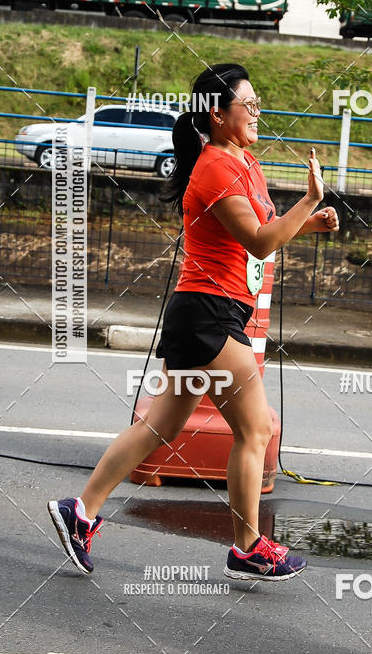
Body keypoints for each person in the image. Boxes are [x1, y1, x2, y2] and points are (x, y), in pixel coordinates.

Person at [48, 62, 339, 582]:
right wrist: (310, 201)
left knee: (160, 426)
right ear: (217, 113)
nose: (256, 113)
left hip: (209, 312)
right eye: (247, 105)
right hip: (208, 314)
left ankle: (81, 510)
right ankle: (248, 547)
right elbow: (259, 241)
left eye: (256, 103)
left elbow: (262, 231)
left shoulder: (244, 161)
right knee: (256, 428)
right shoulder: (215, 168)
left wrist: (307, 223)